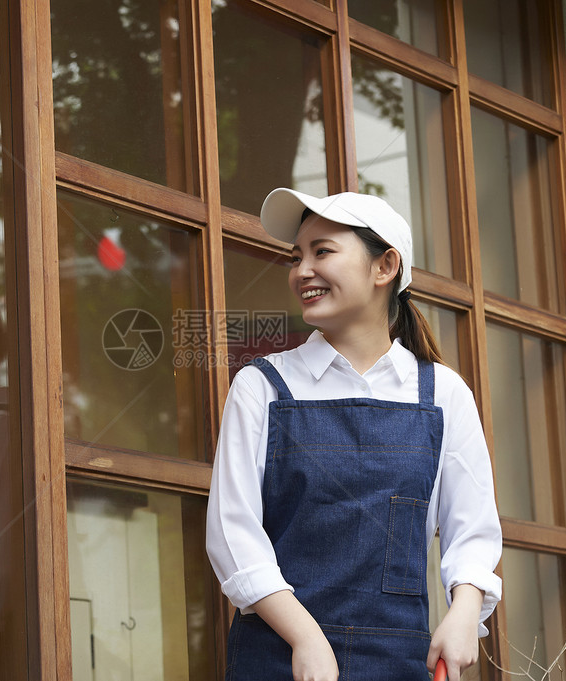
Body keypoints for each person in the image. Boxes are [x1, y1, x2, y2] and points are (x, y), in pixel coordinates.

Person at [206, 189, 502, 681]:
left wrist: (464, 612)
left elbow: (471, 528)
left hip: (400, 660)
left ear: (384, 266)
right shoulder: (261, 386)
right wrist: (305, 637)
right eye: (296, 256)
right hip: (280, 655)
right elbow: (232, 532)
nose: (302, 270)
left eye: (322, 251)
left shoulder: (442, 392)